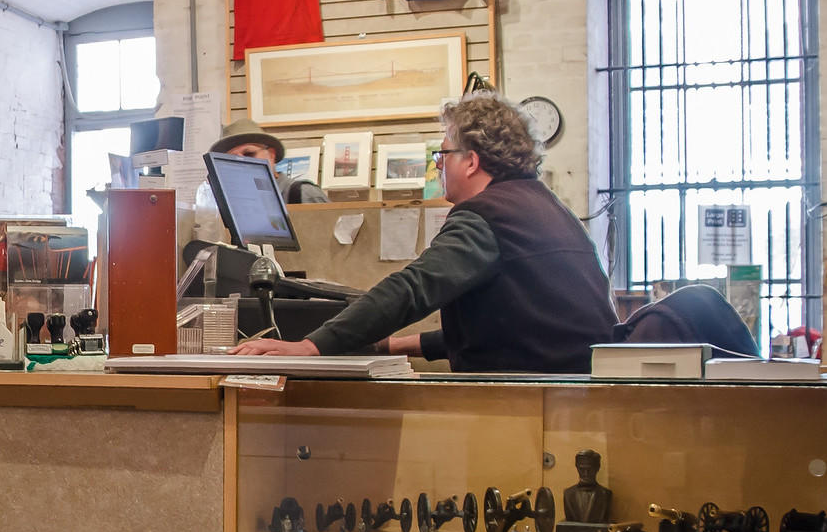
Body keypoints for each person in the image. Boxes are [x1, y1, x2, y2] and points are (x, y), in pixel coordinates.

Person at [233, 94, 616, 373]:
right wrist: (396, 345)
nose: (438, 168)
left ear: (472, 162)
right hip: (574, 385)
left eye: (442, 156)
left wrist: (310, 346)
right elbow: (513, 328)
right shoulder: (545, 207)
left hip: (535, 402)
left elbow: (413, 288)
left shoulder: (487, 215)